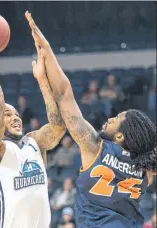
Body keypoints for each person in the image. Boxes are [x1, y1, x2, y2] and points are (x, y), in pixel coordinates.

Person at [25, 11, 157, 228]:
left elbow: (64, 94)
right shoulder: (145, 168)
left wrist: (46, 50)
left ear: (121, 135)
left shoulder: (95, 146)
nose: (109, 119)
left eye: (115, 120)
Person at [0, 37, 66, 228]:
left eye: (17, 114)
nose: (15, 117)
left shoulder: (34, 142)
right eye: (8, 114)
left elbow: (58, 126)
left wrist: (42, 80)